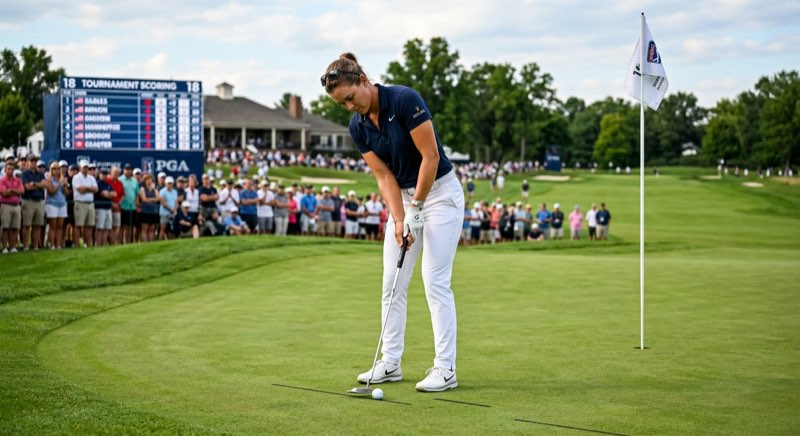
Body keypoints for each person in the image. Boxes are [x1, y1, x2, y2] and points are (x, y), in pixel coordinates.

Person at [323, 52, 464, 391]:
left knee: (434, 281)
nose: (350, 107)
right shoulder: (357, 127)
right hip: (403, 199)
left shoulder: (404, 101)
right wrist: (400, 220)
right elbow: (383, 176)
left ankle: (445, 369)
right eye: (342, 104)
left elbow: (430, 157)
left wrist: (417, 206)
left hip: (440, 195)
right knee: (392, 282)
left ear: (362, 81)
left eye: (350, 98)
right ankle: (390, 363)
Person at [21, 157, 47, 250]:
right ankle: (26, 246)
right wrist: (39, 185)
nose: (34, 162)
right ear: (28, 162)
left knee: (37, 225)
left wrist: (34, 184)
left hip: (39, 201)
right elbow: (27, 187)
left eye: (35, 161)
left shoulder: (40, 174)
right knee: (27, 225)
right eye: (32, 161)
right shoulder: (24, 173)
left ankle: (35, 246)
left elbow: (45, 184)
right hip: (29, 201)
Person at [72, 160, 98, 247]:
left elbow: (96, 190)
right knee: (79, 225)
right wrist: (90, 189)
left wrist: (86, 188)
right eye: (84, 167)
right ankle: (76, 244)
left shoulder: (91, 178)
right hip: (80, 203)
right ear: (80, 168)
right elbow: (80, 190)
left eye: (87, 167)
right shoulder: (76, 177)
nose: (85, 169)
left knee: (89, 225)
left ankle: (87, 244)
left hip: (90, 204)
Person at [1, 158, 24, 253]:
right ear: (5, 170)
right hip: (6, 205)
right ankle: (5, 247)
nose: (10, 170)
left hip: (16, 205)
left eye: (12, 169)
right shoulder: (2, 180)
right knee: (5, 227)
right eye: (8, 169)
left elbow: (22, 191)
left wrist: (11, 190)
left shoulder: (18, 180)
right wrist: (15, 191)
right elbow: (5, 193)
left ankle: (13, 247)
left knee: (15, 227)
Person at [44, 162, 68, 249]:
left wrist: (64, 184)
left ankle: (58, 245)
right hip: (52, 203)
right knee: (53, 226)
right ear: (51, 170)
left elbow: (66, 193)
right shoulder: (49, 179)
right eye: (54, 168)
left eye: (58, 168)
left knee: (60, 226)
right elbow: (51, 191)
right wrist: (59, 183)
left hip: (62, 204)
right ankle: (52, 245)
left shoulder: (62, 179)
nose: (56, 170)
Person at [94, 168, 116, 246]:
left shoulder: (108, 184)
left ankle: (103, 245)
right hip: (100, 208)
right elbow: (103, 194)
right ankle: (98, 244)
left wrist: (108, 194)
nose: (104, 175)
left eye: (106, 174)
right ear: (99, 174)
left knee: (106, 228)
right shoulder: (98, 183)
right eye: (103, 174)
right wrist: (109, 194)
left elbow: (114, 194)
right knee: (99, 228)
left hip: (108, 208)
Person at [138, 174, 160, 242]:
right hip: (145, 211)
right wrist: (153, 199)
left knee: (152, 229)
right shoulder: (142, 189)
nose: (149, 182)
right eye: (147, 180)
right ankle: (145, 243)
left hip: (153, 211)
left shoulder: (154, 190)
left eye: (150, 180)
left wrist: (150, 199)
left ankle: (151, 243)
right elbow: (144, 199)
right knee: (144, 228)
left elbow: (158, 198)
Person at [119, 164, 139, 244]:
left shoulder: (134, 181)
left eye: (129, 169)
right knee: (120, 227)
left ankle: (127, 243)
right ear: (123, 170)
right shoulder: (120, 180)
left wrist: (137, 204)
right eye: (126, 169)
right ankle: (119, 242)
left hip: (132, 207)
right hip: (122, 206)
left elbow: (137, 194)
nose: (128, 171)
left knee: (129, 227)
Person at [107, 166, 125, 245]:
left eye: (118, 173)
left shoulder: (120, 183)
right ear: (111, 172)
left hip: (117, 208)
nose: (116, 174)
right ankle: (108, 243)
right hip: (108, 207)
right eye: (115, 172)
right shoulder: (107, 181)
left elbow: (123, 195)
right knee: (108, 227)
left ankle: (113, 243)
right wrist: (112, 203)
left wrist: (119, 203)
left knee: (116, 227)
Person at [158, 176, 178, 240]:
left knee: (171, 230)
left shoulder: (175, 192)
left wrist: (174, 209)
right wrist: (170, 209)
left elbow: (176, 202)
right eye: (168, 183)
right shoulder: (162, 191)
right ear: (166, 184)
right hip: (164, 213)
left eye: (171, 183)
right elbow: (163, 203)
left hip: (173, 213)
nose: (170, 185)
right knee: (163, 228)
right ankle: (159, 242)